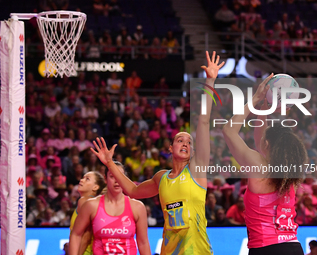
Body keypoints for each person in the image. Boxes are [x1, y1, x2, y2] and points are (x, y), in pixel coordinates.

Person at [91, 51, 224, 254]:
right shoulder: (161, 178)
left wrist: (210, 81)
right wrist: (110, 163)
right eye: (180, 140)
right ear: (170, 148)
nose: (185, 143)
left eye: (189, 142)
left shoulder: (197, 170)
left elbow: (203, 121)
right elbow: (133, 191)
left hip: (197, 251)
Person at [222, 74, 307, 255]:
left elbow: (229, 131)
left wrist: (256, 99)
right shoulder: (288, 173)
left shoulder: (260, 168)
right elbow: (260, 137)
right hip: (293, 246)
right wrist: (264, 107)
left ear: (267, 145)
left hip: (265, 248)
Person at [69, 162, 151, 255]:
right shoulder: (91, 205)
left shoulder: (137, 207)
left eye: (120, 176)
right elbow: (76, 234)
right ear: (105, 178)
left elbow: (143, 243)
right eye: (112, 176)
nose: (117, 180)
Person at [69, 171, 106, 255]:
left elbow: (86, 236)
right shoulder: (91, 202)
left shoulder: (85, 201)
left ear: (95, 187)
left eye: (87, 179)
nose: (82, 180)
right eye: (83, 177)